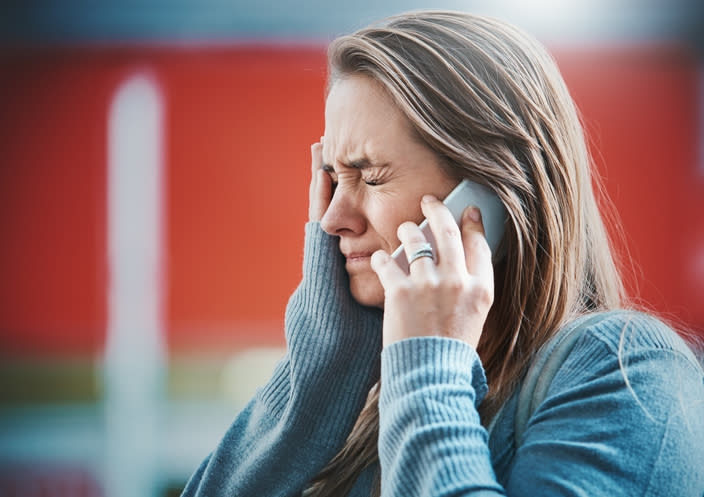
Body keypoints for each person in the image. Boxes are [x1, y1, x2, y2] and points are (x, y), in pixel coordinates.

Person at [181, 10, 704, 497]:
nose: (333, 220)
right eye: (332, 177)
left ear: (489, 197)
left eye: (370, 175)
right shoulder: (367, 415)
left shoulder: (626, 373)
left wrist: (428, 371)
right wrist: (318, 377)